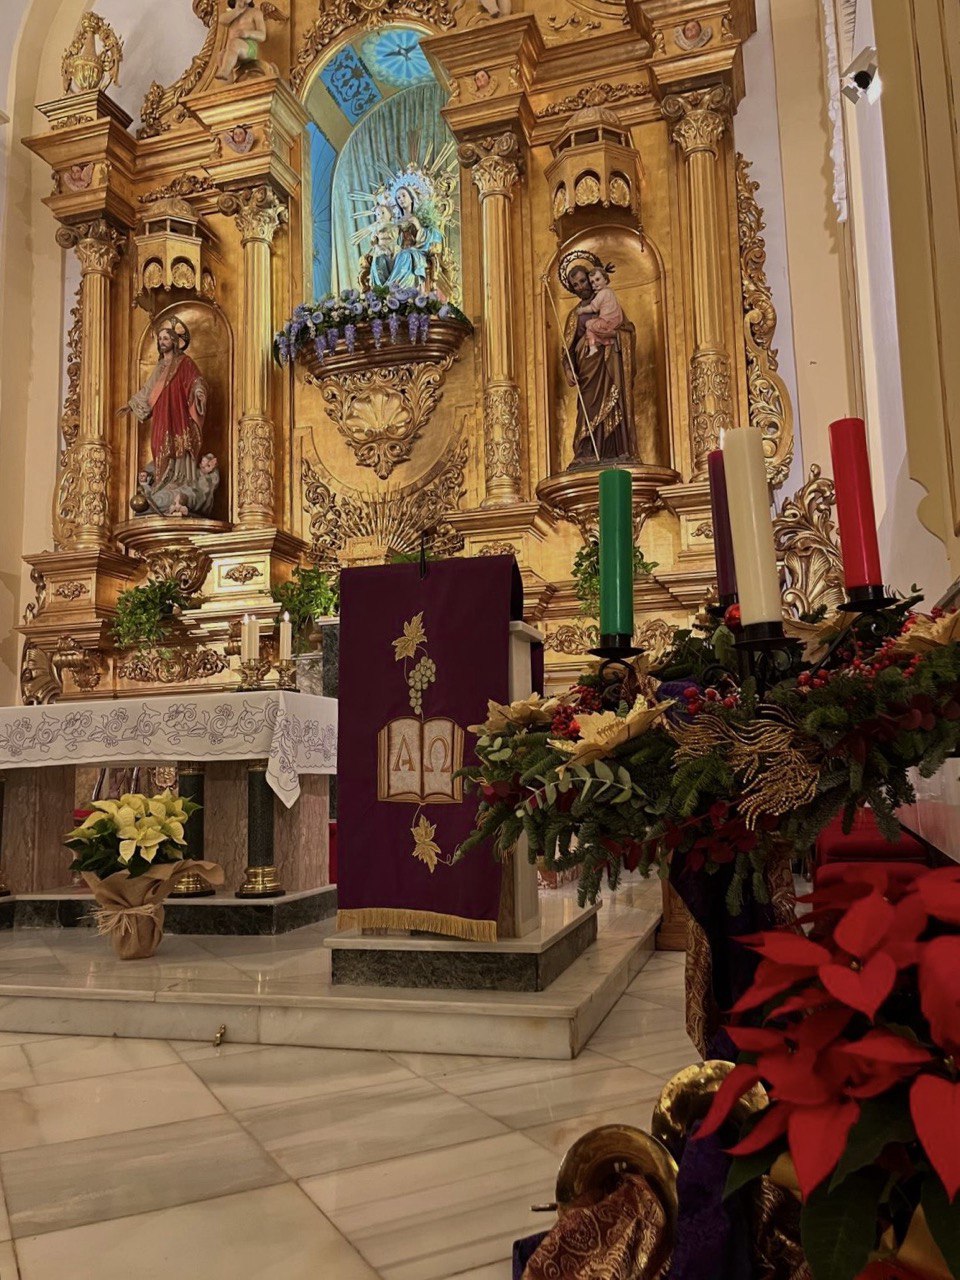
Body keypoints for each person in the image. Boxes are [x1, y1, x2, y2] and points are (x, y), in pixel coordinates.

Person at [119, 317, 212, 517]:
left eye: (166, 338)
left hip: (179, 414)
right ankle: (163, 482)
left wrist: (198, 392)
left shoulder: (185, 362)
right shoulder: (160, 366)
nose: (162, 342)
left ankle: (182, 480)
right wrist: (131, 405)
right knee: (160, 443)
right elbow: (148, 389)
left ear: (174, 341)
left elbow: (196, 380)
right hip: (162, 413)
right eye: (160, 339)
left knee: (181, 444)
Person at [562, 262, 636, 466]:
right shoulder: (575, 315)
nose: (581, 287)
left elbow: (627, 329)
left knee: (614, 402)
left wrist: (615, 335)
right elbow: (567, 347)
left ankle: (615, 451)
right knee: (588, 407)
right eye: (575, 285)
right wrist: (568, 369)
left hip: (610, 364)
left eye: (583, 281)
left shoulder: (608, 301)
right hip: (588, 369)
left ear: (590, 279)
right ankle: (586, 452)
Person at [216, 0, 266, 82]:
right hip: (232, 51)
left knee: (234, 43)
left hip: (249, 48)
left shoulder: (255, 12)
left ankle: (224, 71)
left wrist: (247, 33)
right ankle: (228, 83)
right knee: (221, 55)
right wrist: (237, 11)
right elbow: (221, 20)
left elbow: (262, 36)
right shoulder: (231, 15)